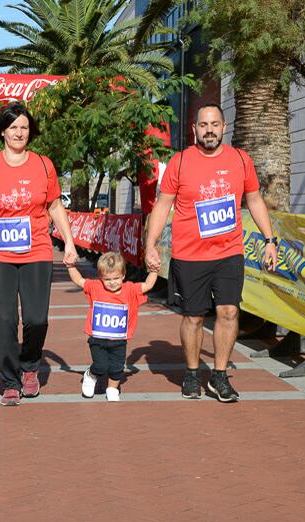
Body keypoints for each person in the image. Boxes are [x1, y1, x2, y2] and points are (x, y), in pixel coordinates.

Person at [145, 103, 277, 403]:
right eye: (203, 125)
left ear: (224, 126)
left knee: (229, 311)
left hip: (229, 252)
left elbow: (254, 200)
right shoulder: (180, 162)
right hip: (190, 255)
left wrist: (270, 240)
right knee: (193, 317)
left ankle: (219, 376)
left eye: (214, 124)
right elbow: (163, 205)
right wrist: (150, 245)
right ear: (194, 129)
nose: (209, 130)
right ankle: (192, 374)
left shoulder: (241, 160)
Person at [0, 102, 77, 406]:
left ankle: (30, 365)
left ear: (30, 131)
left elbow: (55, 207)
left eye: (24, 127)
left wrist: (70, 243)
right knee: (6, 318)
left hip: (37, 249)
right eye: (13, 127)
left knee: (37, 319)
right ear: (3, 132)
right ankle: (10, 380)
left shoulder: (44, 165)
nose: (19, 133)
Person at [67, 252, 157, 401]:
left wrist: (154, 270)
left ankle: (112, 388)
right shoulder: (95, 287)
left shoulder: (130, 289)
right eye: (107, 279)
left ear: (123, 275)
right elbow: (79, 280)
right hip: (98, 339)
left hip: (119, 340)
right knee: (101, 366)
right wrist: (70, 266)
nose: (112, 282)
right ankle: (91, 375)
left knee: (117, 367)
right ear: (101, 277)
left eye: (116, 278)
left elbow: (147, 285)